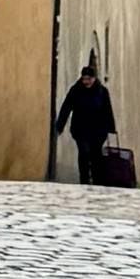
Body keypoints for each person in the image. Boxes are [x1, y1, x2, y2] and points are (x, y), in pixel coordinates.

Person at [56, 53, 116, 186]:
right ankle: (84, 179)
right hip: (80, 128)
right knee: (83, 152)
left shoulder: (102, 91)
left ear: (94, 78)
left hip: (98, 130)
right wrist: (60, 124)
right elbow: (66, 107)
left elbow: (107, 109)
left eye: (89, 79)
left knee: (95, 155)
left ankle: (96, 180)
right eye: (84, 79)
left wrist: (111, 127)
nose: (86, 82)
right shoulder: (76, 90)